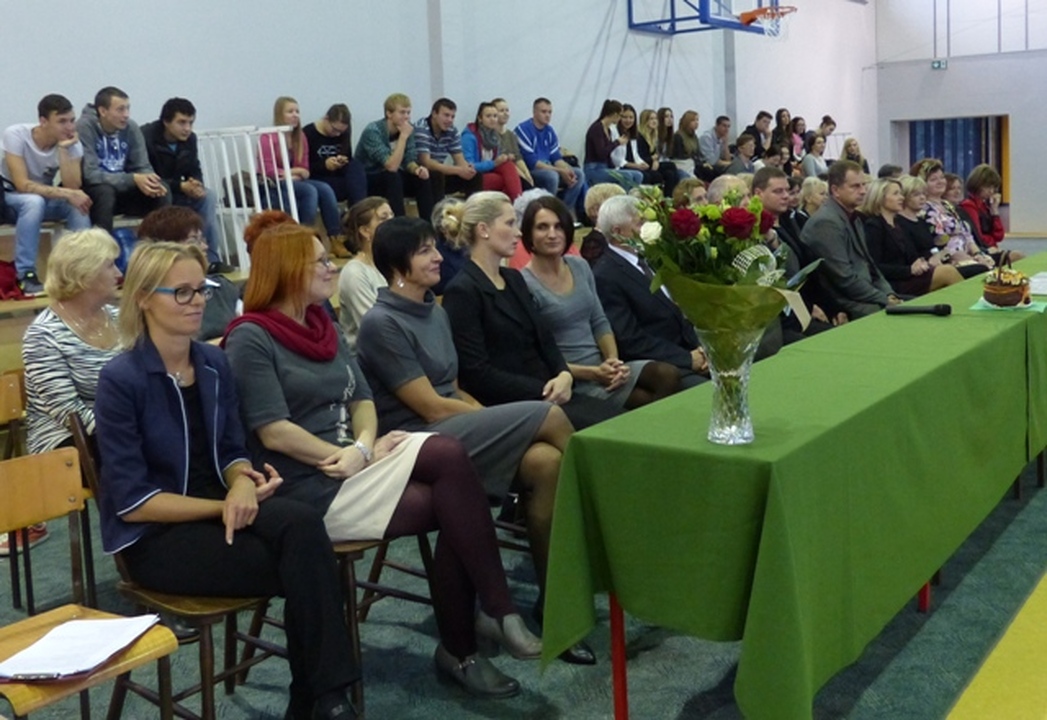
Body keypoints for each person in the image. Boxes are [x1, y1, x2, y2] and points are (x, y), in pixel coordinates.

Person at [223, 223, 546, 696]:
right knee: (456, 483)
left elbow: (362, 399)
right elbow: (273, 430)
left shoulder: (322, 324)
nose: (331, 267)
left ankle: (480, 629)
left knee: (455, 481)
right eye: (320, 261)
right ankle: (480, 629)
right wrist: (351, 454)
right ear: (287, 270)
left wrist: (364, 446)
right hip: (307, 487)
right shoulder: (251, 336)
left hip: (355, 462)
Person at [95, 241, 359, 719]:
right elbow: (133, 503)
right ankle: (323, 700)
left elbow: (235, 450)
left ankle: (322, 698)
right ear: (144, 298)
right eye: (182, 292)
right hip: (156, 538)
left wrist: (240, 482)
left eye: (202, 289)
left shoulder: (213, 363)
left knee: (303, 525)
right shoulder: (121, 379)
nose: (198, 301)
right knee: (309, 565)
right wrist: (225, 504)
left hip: (224, 508)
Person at [356, 217, 596, 664]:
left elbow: (456, 389)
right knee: (547, 414)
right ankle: (605, 505)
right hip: (417, 442)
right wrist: (499, 420)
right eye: (425, 251)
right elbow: (429, 406)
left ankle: (554, 605)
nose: (438, 257)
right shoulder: (381, 322)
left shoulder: (434, 309)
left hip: (456, 424)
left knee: (546, 462)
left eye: (434, 248)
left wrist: (493, 420)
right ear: (397, 266)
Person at [441, 191, 620, 431]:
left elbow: (544, 339)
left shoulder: (512, 278)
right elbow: (477, 373)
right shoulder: (463, 291)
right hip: (515, 401)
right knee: (612, 430)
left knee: (623, 421)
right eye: (510, 223)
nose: (518, 232)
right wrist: (545, 386)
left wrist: (564, 374)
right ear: (483, 230)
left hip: (549, 389)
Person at [10, 229, 121, 556]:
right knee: (140, 454)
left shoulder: (120, 318)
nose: (119, 273)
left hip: (115, 427)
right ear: (84, 274)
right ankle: (143, 546)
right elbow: (67, 411)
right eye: (110, 265)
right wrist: (128, 429)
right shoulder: (43, 334)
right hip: (64, 439)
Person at [519, 195, 681, 407]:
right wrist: (594, 373)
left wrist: (613, 361)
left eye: (558, 226)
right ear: (529, 234)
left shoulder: (580, 266)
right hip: (569, 376)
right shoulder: (523, 283)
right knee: (643, 400)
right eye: (542, 227)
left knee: (667, 375)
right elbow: (538, 354)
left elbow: (599, 320)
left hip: (603, 366)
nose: (552, 234)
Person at [589, 195, 707, 387]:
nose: (646, 227)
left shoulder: (650, 257)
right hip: (662, 363)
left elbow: (677, 309)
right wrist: (686, 358)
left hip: (690, 348)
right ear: (618, 232)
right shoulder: (605, 275)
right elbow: (630, 339)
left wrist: (702, 348)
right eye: (639, 223)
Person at [1, 93, 92, 295]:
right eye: (62, 121)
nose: (70, 127)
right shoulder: (16, 135)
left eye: (72, 121)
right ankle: (25, 275)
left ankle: (84, 272)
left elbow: (73, 186)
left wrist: (64, 150)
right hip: (10, 198)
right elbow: (22, 185)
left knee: (78, 206)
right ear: (43, 121)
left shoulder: (72, 144)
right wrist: (67, 193)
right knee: (33, 202)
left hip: (43, 199)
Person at [141, 97, 234, 274]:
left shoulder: (190, 139)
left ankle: (211, 260)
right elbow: (148, 175)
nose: (187, 128)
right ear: (166, 121)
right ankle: (170, 261)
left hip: (178, 190)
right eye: (182, 122)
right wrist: (181, 186)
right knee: (164, 193)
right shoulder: (146, 137)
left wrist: (196, 184)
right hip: (152, 195)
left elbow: (194, 167)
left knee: (209, 196)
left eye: (191, 123)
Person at [799, 160, 900, 319]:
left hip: (865, 294)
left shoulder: (854, 217)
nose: (863, 191)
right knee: (901, 316)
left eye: (863, 185)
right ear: (835, 190)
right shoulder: (825, 223)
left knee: (916, 306)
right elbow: (844, 279)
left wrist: (889, 293)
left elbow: (871, 266)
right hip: (844, 301)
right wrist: (883, 298)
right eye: (855, 186)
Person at [752, 167, 839, 341]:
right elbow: (784, 278)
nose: (786, 196)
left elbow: (809, 269)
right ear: (758, 193)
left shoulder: (791, 221)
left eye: (787, 190)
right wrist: (808, 308)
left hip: (805, 305)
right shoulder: (755, 232)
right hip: (784, 318)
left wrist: (830, 307)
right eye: (778, 191)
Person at [136, 206, 240, 341]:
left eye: (202, 239)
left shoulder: (223, 287)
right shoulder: (153, 296)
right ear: (164, 248)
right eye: (193, 241)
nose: (204, 247)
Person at [78, 86, 170, 232]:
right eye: (120, 110)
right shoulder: (85, 127)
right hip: (94, 192)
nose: (126, 115)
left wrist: (150, 181)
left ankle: (161, 243)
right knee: (105, 193)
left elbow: (142, 166)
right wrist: (132, 179)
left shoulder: (131, 127)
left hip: (123, 191)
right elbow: (90, 175)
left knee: (162, 190)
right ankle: (102, 245)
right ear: (103, 111)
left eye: (128, 109)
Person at [258, 97, 343, 246]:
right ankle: (305, 236)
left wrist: (292, 173)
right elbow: (268, 170)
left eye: (297, 111)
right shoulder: (267, 137)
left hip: (295, 180)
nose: (295, 115)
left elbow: (305, 170)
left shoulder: (300, 136)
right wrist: (294, 172)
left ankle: (335, 237)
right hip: (275, 182)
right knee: (309, 191)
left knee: (325, 188)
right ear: (279, 114)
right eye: (290, 111)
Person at [861, 178, 962, 297]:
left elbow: (913, 255)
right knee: (947, 272)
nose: (901, 198)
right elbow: (875, 267)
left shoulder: (898, 224)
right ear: (880, 198)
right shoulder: (874, 226)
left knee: (948, 269)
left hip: (910, 275)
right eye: (896, 194)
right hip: (894, 282)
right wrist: (909, 270)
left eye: (901, 194)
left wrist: (922, 262)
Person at [356, 93, 435, 220]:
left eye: (408, 113)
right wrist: (403, 137)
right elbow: (390, 166)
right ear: (389, 113)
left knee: (424, 177)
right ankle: (399, 223)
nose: (406, 117)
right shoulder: (373, 131)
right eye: (402, 112)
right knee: (393, 176)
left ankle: (429, 224)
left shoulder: (408, 129)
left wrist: (417, 169)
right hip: (371, 177)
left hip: (395, 176)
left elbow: (409, 159)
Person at [913, 158, 994, 269]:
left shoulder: (947, 205)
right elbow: (939, 244)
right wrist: (970, 260)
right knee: (984, 269)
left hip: (968, 254)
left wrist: (978, 254)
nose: (940, 182)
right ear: (922, 184)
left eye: (942, 177)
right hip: (949, 261)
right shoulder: (924, 210)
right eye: (933, 179)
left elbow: (967, 235)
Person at [514, 98, 587, 218]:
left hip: (549, 168)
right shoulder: (523, 130)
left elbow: (556, 158)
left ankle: (562, 213)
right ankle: (548, 213)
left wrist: (567, 170)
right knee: (551, 176)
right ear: (534, 112)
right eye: (544, 112)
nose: (547, 115)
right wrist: (560, 171)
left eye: (550, 112)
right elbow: (533, 163)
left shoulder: (549, 131)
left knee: (578, 174)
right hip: (530, 172)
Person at [337, 197, 394, 353]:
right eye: (384, 218)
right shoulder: (355, 273)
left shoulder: (393, 263)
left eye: (392, 215)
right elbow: (376, 329)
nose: (392, 222)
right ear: (365, 231)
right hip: (368, 357)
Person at [302, 103, 368, 222]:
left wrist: (342, 160)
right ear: (326, 119)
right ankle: (358, 218)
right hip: (318, 178)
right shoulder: (308, 133)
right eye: (335, 130)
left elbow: (347, 155)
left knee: (356, 166)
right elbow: (304, 167)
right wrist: (324, 165)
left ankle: (358, 215)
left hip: (340, 176)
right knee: (354, 186)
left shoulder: (343, 132)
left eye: (341, 132)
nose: (337, 134)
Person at [415, 98, 483, 201]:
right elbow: (426, 162)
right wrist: (458, 170)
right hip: (419, 175)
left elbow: (459, 159)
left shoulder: (452, 130)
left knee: (475, 176)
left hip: (440, 174)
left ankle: (474, 209)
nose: (450, 120)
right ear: (434, 114)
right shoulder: (422, 128)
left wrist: (467, 169)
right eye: (446, 115)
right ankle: (439, 211)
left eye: (452, 116)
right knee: (436, 175)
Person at [461, 102, 523, 200]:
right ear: (480, 118)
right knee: (505, 181)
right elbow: (469, 166)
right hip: (474, 177)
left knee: (507, 165)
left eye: (495, 116)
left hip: (489, 171)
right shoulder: (469, 137)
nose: (493, 119)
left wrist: (504, 158)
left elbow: (496, 160)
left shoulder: (494, 136)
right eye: (488, 116)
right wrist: (494, 163)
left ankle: (517, 201)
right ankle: (518, 201)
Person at [583, 99, 642, 189]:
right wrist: (617, 142)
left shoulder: (608, 129)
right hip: (594, 168)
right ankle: (622, 197)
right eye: (620, 116)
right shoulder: (597, 128)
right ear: (615, 115)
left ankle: (631, 195)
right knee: (626, 176)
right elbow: (601, 153)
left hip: (605, 167)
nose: (620, 119)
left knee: (638, 175)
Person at [958, 164, 1006, 250]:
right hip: (980, 248)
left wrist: (995, 211)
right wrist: (992, 241)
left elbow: (999, 236)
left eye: (993, 188)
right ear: (978, 184)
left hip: (989, 247)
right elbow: (977, 236)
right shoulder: (969, 205)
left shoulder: (985, 206)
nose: (991, 191)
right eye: (988, 187)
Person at [490, 98, 535, 190]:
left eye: (507, 110)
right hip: (502, 169)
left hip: (515, 170)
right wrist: (523, 177)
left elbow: (518, 157)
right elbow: (503, 160)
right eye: (501, 111)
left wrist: (527, 173)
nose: (506, 113)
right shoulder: (490, 135)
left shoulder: (511, 135)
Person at [632, 107, 678, 192]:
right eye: (651, 119)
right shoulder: (640, 137)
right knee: (663, 172)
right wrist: (652, 159)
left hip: (651, 163)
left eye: (656, 119)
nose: (654, 121)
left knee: (670, 174)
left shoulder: (653, 136)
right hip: (642, 164)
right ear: (645, 121)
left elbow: (655, 155)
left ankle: (669, 197)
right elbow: (639, 157)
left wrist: (655, 160)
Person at [671, 110, 714, 180]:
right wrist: (700, 164)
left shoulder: (694, 136)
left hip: (694, 163)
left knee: (712, 170)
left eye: (697, 120)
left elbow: (698, 153)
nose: (696, 123)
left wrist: (703, 163)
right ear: (687, 122)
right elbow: (680, 156)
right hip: (685, 164)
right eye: (693, 120)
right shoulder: (678, 136)